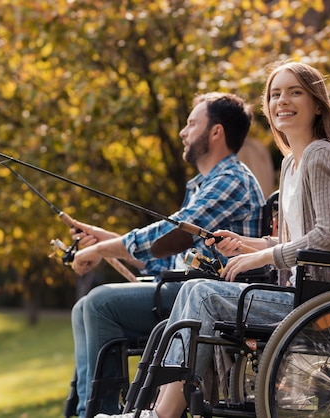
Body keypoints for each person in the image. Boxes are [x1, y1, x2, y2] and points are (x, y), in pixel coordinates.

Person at [96, 61, 330, 418]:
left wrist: (261, 259)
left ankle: (160, 414)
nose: (281, 101)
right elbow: (298, 242)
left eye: (294, 92)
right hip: (302, 296)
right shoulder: (290, 164)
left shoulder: (320, 154)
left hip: (326, 303)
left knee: (203, 294)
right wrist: (246, 243)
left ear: (317, 103)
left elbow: (329, 238)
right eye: (275, 94)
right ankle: (152, 408)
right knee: (198, 290)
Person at [68, 92, 266, 417]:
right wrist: (106, 242)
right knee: (82, 309)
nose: (182, 133)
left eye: (191, 123)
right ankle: (85, 411)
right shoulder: (206, 185)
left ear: (215, 132)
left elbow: (170, 237)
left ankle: (96, 412)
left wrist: (103, 248)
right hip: (182, 288)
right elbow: (166, 258)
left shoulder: (231, 180)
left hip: (210, 297)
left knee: (99, 304)